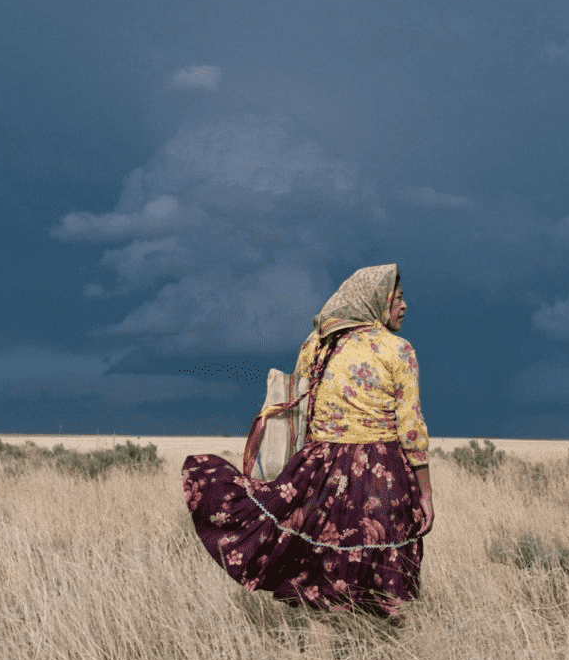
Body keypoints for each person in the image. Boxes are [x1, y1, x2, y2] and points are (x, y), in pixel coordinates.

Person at [181, 263, 432, 627]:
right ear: (374, 299)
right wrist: (425, 492)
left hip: (321, 471)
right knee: (389, 578)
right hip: (381, 472)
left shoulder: (317, 344)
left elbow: (303, 405)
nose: (404, 305)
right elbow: (411, 427)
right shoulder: (398, 350)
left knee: (318, 579)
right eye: (398, 297)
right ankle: (400, 658)